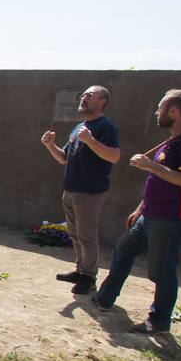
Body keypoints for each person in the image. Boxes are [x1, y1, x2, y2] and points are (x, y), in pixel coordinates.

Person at [93, 89, 181, 334]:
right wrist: (141, 207)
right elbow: (159, 182)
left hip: (172, 217)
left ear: (174, 111)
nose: (157, 113)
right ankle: (105, 298)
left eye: (160, 108)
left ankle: (159, 321)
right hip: (151, 214)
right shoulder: (173, 140)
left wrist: (150, 165)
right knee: (124, 249)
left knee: (162, 269)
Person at [40, 85, 120, 295]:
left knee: (86, 234)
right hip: (71, 188)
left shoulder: (106, 126)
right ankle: (80, 270)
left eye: (90, 96)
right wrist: (50, 145)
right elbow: (64, 158)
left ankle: (89, 278)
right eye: (83, 95)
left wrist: (91, 140)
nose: (84, 98)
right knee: (74, 233)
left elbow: (114, 156)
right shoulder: (79, 128)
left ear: (102, 102)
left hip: (90, 191)